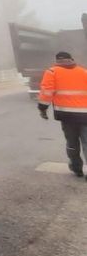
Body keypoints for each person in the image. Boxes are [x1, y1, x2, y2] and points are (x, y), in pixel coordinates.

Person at [38, 51, 87, 179]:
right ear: (71, 59)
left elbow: (47, 92)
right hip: (85, 115)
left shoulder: (52, 72)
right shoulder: (83, 71)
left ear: (57, 60)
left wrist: (42, 108)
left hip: (67, 115)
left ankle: (77, 169)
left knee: (72, 142)